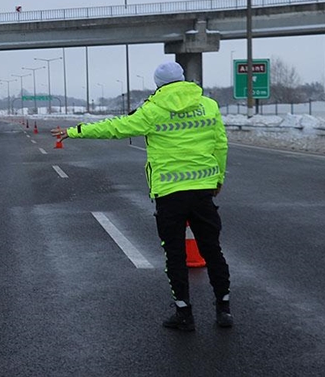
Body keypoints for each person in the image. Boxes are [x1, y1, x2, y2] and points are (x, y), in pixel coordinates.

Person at [59, 61, 232, 331]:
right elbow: (220, 145)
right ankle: (224, 309)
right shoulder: (208, 105)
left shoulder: (153, 109)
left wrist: (75, 131)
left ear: (158, 84)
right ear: (184, 79)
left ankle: (184, 313)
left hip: (170, 193)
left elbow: (117, 128)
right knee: (212, 250)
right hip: (203, 191)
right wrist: (218, 178)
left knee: (174, 255)